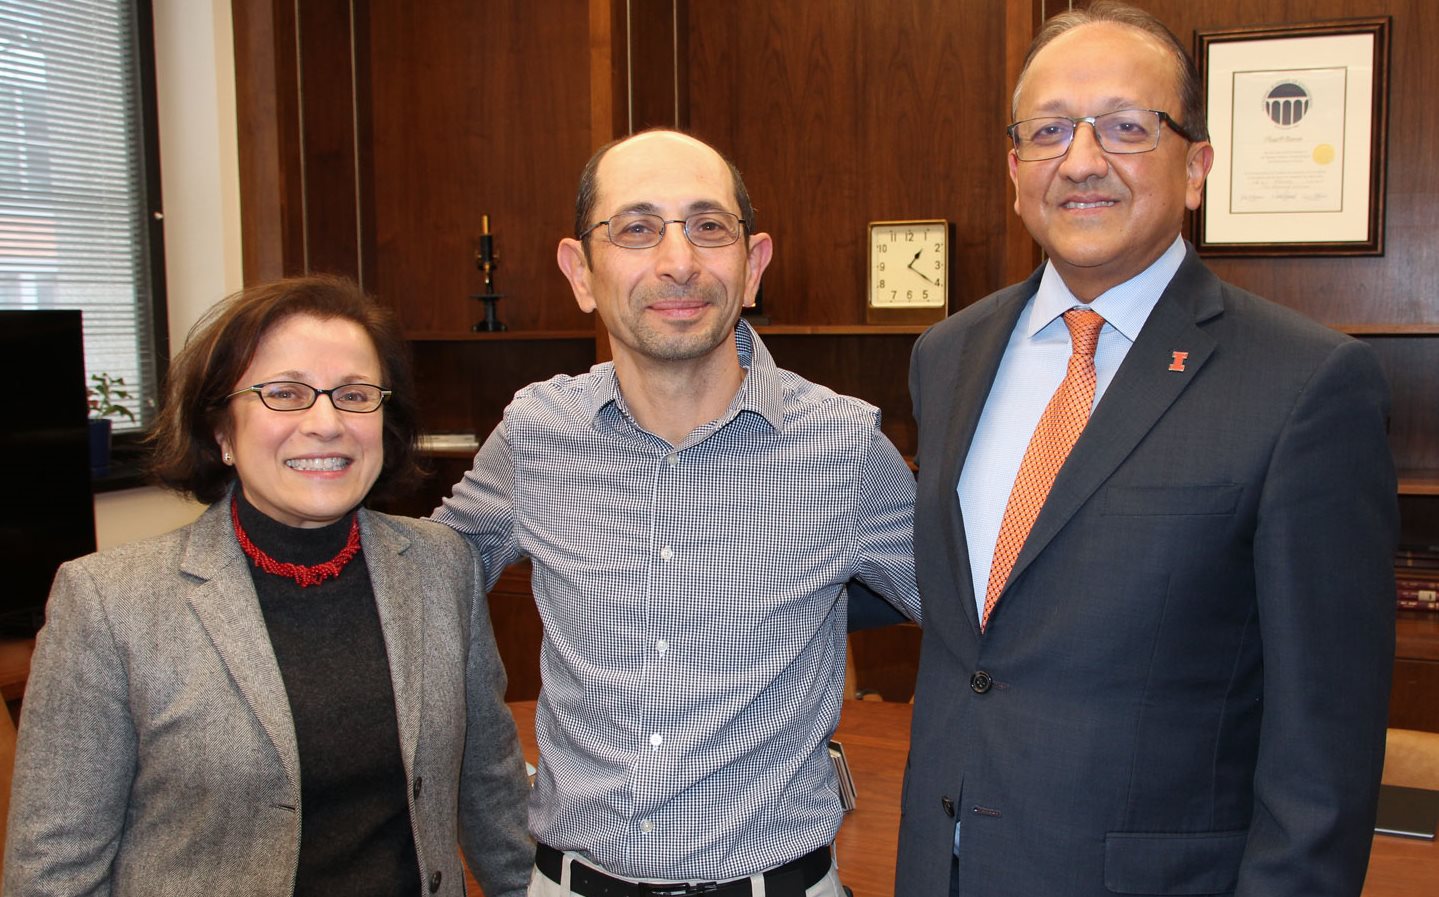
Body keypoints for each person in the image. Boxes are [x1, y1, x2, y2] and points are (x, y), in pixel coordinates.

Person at [896, 3, 1397, 896]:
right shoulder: (946, 356)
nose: (1081, 160)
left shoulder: (1305, 384)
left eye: (1127, 127)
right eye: (1047, 131)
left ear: (1195, 166)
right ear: (1014, 172)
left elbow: (1323, 748)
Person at [431, 129, 920, 897]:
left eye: (707, 226)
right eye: (635, 229)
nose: (678, 261)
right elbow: (417, 593)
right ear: (580, 272)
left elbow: (984, 628)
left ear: (752, 264)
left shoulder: (846, 448)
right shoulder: (533, 435)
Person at [3, 276, 533, 897]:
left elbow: (490, 784)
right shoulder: (108, 604)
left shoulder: (442, 566)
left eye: (355, 394)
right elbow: (52, 872)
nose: (327, 423)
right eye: (285, 393)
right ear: (221, 431)